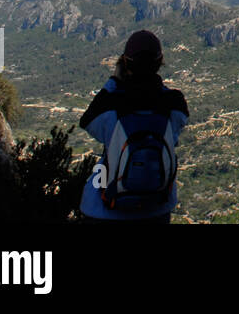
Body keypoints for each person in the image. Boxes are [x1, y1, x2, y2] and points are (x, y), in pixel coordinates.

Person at [78, 30, 188, 222]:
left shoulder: (109, 106)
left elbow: (87, 121)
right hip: (156, 208)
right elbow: (176, 126)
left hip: (105, 209)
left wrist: (113, 80)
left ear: (125, 62)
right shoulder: (175, 104)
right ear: (160, 62)